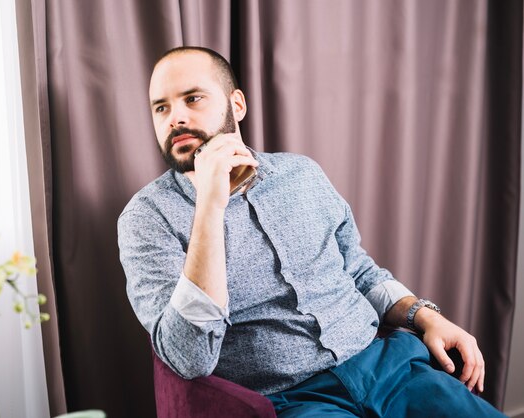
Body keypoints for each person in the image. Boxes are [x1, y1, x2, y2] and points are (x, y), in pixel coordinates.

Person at [117, 46, 505, 417]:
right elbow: (187, 358)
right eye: (161, 107)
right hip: (292, 399)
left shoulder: (301, 174)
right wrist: (209, 208)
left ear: (236, 104)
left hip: (389, 366)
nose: (175, 118)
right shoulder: (146, 218)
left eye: (193, 98)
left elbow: (359, 272)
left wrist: (426, 316)